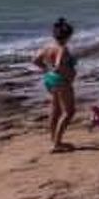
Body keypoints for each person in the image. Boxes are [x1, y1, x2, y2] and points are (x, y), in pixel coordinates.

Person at [33, 17, 78, 153]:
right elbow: (58, 65)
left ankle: (54, 139)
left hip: (49, 79)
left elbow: (35, 60)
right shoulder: (62, 48)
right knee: (69, 112)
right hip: (61, 81)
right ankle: (57, 144)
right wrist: (65, 72)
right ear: (68, 35)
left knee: (56, 110)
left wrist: (47, 69)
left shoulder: (47, 46)